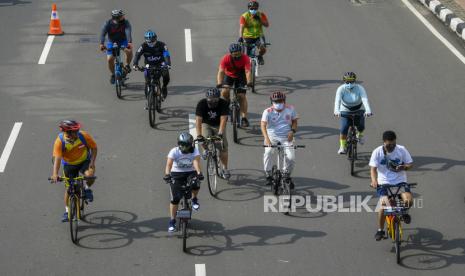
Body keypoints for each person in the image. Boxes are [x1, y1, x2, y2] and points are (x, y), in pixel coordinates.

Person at [50, 120, 98, 222]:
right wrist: (55, 174)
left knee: (90, 175)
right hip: (69, 165)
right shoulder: (60, 141)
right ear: (67, 132)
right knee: (68, 189)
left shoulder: (83, 136)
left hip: (84, 161)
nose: (77, 133)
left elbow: (94, 148)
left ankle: (87, 188)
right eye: (75, 131)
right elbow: (57, 159)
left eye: (77, 130)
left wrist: (92, 162)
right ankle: (67, 211)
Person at [369, 131, 413, 241]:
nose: (391, 147)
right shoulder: (377, 152)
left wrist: (404, 167)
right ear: (384, 142)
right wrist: (374, 181)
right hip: (384, 183)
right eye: (389, 145)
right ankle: (380, 230)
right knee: (384, 204)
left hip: (400, 182)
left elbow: (410, 164)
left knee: (409, 201)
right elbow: (373, 169)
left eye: (393, 144)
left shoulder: (401, 149)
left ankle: (404, 212)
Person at [163, 132, 204, 233]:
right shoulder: (174, 151)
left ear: (190, 144)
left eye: (186, 145)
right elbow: (169, 164)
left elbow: (196, 162)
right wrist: (167, 175)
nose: (183, 147)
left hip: (190, 172)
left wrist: (199, 173)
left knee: (196, 183)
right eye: (181, 144)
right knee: (175, 199)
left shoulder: (194, 151)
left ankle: (194, 199)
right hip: (176, 174)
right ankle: (172, 220)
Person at [261, 91, 299, 186]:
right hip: (271, 137)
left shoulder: (290, 109)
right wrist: (267, 139)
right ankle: (268, 174)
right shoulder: (267, 111)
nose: (278, 103)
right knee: (268, 152)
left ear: (284, 101)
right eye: (276, 102)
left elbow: (294, 122)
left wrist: (292, 131)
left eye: (280, 101)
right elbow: (263, 125)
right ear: (272, 102)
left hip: (287, 138)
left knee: (291, 158)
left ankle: (286, 175)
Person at [334, 71, 373, 154]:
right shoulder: (341, 89)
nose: (349, 83)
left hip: (359, 109)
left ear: (354, 81)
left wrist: (368, 110)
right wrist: (336, 110)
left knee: (361, 126)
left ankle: (360, 135)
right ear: (344, 81)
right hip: (345, 110)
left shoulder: (360, 88)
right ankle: (342, 146)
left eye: (351, 81)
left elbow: (364, 99)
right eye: (347, 82)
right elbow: (337, 101)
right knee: (344, 128)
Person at [195, 88, 230, 179]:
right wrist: (199, 135)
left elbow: (223, 119)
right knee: (204, 138)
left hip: (218, 124)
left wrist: (220, 133)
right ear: (207, 98)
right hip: (206, 123)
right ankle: (205, 150)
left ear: (219, 98)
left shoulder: (223, 103)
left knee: (223, 147)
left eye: (215, 99)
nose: (213, 101)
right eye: (210, 99)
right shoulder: (201, 104)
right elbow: (198, 121)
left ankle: (225, 169)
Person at [217, 43, 253, 127]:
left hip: (241, 76)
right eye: (235, 54)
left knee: (241, 96)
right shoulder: (225, 58)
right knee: (224, 92)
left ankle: (244, 118)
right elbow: (221, 71)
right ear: (231, 53)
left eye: (238, 53)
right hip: (229, 75)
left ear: (241, 52)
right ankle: (227, 102)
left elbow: (247, 71)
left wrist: (249, 82)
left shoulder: (245, 58)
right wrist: (219, 83)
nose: (237, 56)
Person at [133, 30, 171, 99]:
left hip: (161, 64)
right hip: (149, 65)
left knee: (166, 77)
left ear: (156, 39)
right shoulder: (143, 46)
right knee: (147, 82)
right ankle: (148, 100)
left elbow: (166, 55)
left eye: (152, 41)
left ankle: (164, 87)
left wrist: (167, 64)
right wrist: (135, 64)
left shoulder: (162, 45)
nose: (151, 43)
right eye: (149, 42)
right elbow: (137, 55)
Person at [99, 9, 133, 84]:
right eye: (121, 16)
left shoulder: (126, 22)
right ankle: (113, 74)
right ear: (117, 18)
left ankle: (127, 65)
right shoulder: (107, 24)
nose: (123, 17)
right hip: (112, 42)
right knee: (109, 59)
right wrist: (101, 44)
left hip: (123, 41)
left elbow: (128, 32)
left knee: (129, 51)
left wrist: (129, 42)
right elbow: (103, 34)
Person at [238, 0, 269, 65]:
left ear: (257, 8)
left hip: (258, 36)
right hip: (247, 37)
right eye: (251, 8)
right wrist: (241, 37)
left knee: (263, 49)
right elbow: (241, 28)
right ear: (248, 8)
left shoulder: (261, 14)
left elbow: (267, 25)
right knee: (246, 55)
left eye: (255, 8)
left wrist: (260, 19)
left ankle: (260, 57)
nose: (253, 10)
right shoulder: (244, 16)